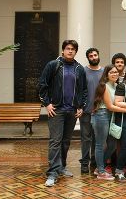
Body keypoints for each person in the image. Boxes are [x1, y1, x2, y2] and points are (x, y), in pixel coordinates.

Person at [39, 40, 87, 187]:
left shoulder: (79, 68)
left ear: (76, 52)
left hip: (71, 111)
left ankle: (61, 167)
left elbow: (83, 90)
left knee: (66, 141)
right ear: (63, 51)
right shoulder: (53, 65)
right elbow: (42, 85)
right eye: (67, 48)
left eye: (73, 49)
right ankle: (52, 173)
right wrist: (47, 104)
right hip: (57, 110)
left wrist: (80, 106)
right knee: (55, 141)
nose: (70, 51)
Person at [91, 65, 126, 181]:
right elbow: (110, 106)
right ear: (106, 74)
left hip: (111, 116)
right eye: (111, 72)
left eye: (116, 72)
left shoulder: (117, 86)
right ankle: (101, 172)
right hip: (101, 115)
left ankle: (99, 167)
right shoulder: (104, 86)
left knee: (112, 145)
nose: (114, 74)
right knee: (100, 144)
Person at [79, 48, 104, 174]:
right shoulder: (83, 71)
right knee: (85, 139)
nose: (93, 57)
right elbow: (79, 90)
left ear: (98, 56)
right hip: (85, 112)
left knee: (97, 139)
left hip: (100, 111)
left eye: (95, 55)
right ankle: (84, 163)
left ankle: (94, 162)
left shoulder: (105, 72)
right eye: (91, 56)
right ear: (88, 58)